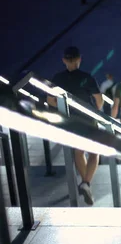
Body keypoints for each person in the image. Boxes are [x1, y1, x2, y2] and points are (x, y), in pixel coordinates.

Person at [47, 46, 104, 206]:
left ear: (64, 60)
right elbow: (99, 100)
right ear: (79, 59)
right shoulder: (87, 78)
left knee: (78, 153)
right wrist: (97, 113)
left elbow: (50, 100)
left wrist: (63, 111)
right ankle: (86, 183)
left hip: (71, 121)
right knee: (94, 153)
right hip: (88, 120)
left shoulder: (58, 78)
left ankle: (85, 183)